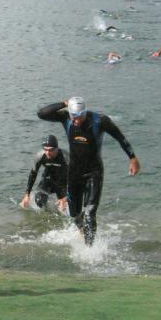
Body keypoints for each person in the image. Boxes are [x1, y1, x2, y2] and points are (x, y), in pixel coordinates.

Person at [38, 97, 140, 245]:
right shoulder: (66, 118)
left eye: (80, 116)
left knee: (90, 213)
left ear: (85, 112)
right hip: (74, 173)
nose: (76, 120)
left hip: (94, 172)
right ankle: (82, 230)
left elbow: (120, 138)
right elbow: (42, 114)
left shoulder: (100, 121)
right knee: (74, 213)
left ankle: (89, 249)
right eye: (73, 116)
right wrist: (64, 104)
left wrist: (132, 158)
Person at [20, 134, 68, 212]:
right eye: (45, 149)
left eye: (50, 150)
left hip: (63, 181)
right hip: (48, 178)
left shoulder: (65, 157)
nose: (47, 153)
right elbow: (33, 174)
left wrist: (66, 197)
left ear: (56, 148)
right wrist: (27, 195)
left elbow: (75, 176)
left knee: (67, 207)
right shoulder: (40, 156)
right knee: (39, 201)